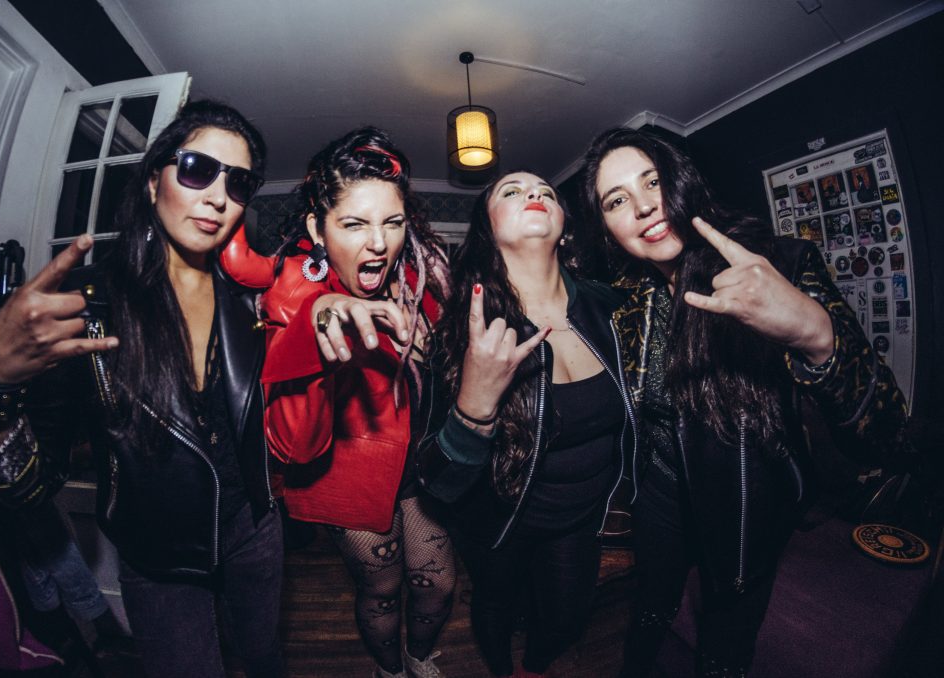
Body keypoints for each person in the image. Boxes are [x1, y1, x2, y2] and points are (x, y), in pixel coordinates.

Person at [0, 100, 282, 678]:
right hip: (157, 556)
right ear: (154, 181)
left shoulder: (250, 301)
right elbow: (32, 488)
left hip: (254, 530)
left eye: (239, 183)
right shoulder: (87, 305)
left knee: (263, 660)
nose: (218, 197)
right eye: (198, 169)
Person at [579, 127, 910, 677]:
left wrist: (815, 335)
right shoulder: (631, 295)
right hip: (659, 492)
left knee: (726, 636)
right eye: (616, 200)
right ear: (608, 228)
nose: (642, 206)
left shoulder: (774, 265)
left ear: (681, 179)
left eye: (652, 181)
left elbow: (886, 434)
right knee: (651, 606)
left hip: (746, 500)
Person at [223, 127, 454, 678]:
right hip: (348, 474)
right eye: (354, 224)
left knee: (438, 582)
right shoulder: (294, 295)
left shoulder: (419, 280)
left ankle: (419, 657)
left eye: (392, 222)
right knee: (382, 590)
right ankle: (389, 670)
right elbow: (292, 445)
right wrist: (314, 324)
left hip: (418, 466)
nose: (379, 243)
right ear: (317, 230)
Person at [417, 171, 636, 678]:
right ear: (487, 228)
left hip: (583, 516)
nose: (535, 194)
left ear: (563, 225)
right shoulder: (459, 329)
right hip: (499, 519)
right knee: (495, 606)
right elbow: (437, 483)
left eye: (546, 192)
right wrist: (474, 407)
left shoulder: (611, 308)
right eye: (511, 192)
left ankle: (533, 669)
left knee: (566, 618)